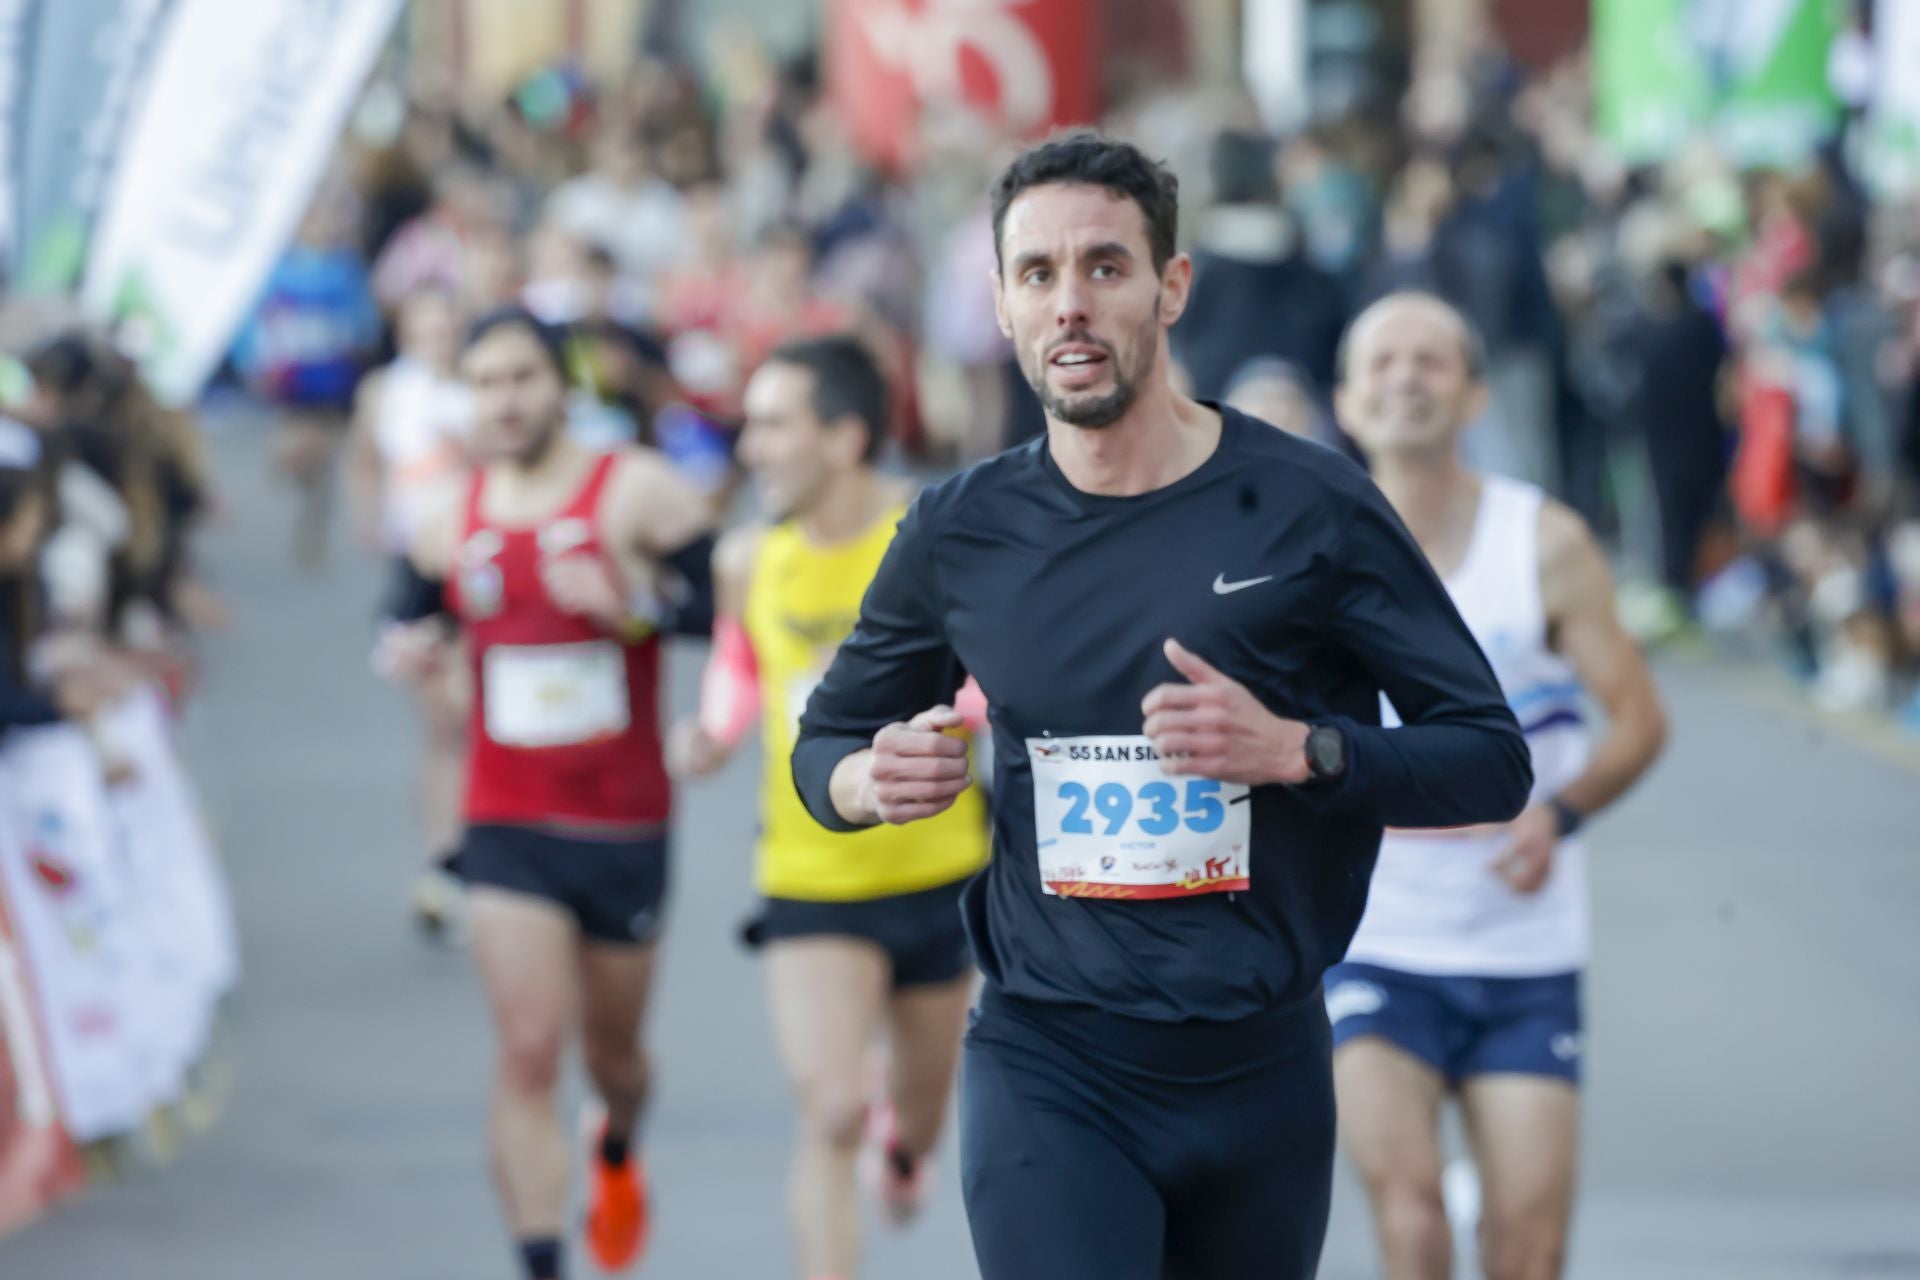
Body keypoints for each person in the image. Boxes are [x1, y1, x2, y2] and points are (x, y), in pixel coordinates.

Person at [790, 130, 1533, 1280]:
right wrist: (863, 777)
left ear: (1170, 286)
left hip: (1260, 1069)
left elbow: (1489, 759)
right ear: (999, 305)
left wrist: (1302, 750)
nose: (1070, 304)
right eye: (1038, 274)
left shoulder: (1309, 504)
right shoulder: (962, 530)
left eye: (1104, 266)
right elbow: (825, 743)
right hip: (1049, 1059)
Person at [1325, 292, 1669, 1280]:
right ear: (1347, 401)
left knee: (1527, 1250)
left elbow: (1642, 719)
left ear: (1476, 392)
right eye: (1382, 362)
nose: (1405, 379)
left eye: (1430, 361)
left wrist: (1556, 815)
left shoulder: (1543, 542)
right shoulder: (1313, 550)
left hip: (1524, 950)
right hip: (1374, 940)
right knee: (1414, 1221)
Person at [380, 307, 715, 1280]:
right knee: (527, 1047)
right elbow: (402, 618)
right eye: (485, 383)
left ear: (561, 385)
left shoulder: (637, 490)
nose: (506, 400)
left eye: (522, 377)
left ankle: (615, 1142)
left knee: (616, 1058)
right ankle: (540, 1257)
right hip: (506, 817)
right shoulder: (451, 517)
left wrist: (637, 606)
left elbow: (726, 605)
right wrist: (412, 650)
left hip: (623, 821)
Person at [668, 335, 988, 1280]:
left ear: (846, 437)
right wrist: (715, 734)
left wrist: (956, 719)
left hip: (938, 873)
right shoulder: (747, 559)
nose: (751, 449)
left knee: (921, 1119)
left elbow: (993, 678)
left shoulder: (932, 541)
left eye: (773, 425)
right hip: (808, 873)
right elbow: (742, 663)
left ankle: (907, 1147)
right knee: (829, 1109)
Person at [351, 286, 476, 936]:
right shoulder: (385, 392)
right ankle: (443, 858)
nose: (437, 339)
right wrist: (373, 525)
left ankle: (483, 850)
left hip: (481, 566)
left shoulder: (485, 392)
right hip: (418, 573)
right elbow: (366, 462)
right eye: (425, 329)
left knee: (476, 715)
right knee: (442, 722)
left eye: (446, 327)